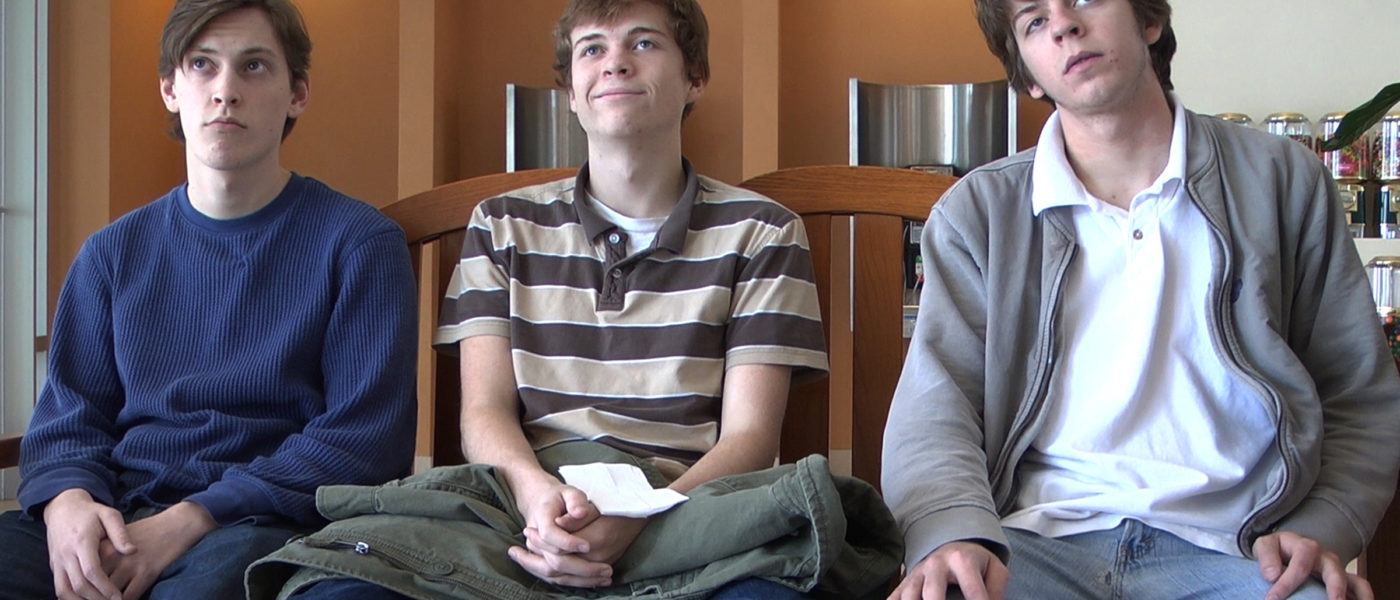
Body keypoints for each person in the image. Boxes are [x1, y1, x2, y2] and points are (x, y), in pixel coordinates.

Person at [246, 1, 904, 599]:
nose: (615, 61)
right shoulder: (502, 225)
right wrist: (536, 496)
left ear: (695, 78)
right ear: (570, 92)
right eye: (592, 48)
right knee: (342, 587)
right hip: (525, 500)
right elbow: (483, 411)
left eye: (643, 43)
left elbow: (750, 438)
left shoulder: (762, 230)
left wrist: (641, 516)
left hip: (689, 503)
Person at [882, 1, 1400, 599]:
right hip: (1030, 544)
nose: (1064, 25)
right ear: (1027, 73)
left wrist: (1322, 525)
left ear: (1149, 20)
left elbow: (1357, 394)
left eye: (1085, 0)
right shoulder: (978, 213)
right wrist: (951, 531)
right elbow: (935, 411)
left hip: (1239, 549)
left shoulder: (1283, 180)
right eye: (1034, 21)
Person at [0, 0, 417, 598]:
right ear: (170, 89)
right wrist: (69, 503)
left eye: (254, 66)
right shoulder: (110, 254)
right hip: (119, 508)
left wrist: (193, 517)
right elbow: (68, 418)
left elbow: (366, 438)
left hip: (261, 518)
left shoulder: (359, 244)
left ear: (297, 94)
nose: (225, 91)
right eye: (202, 64)